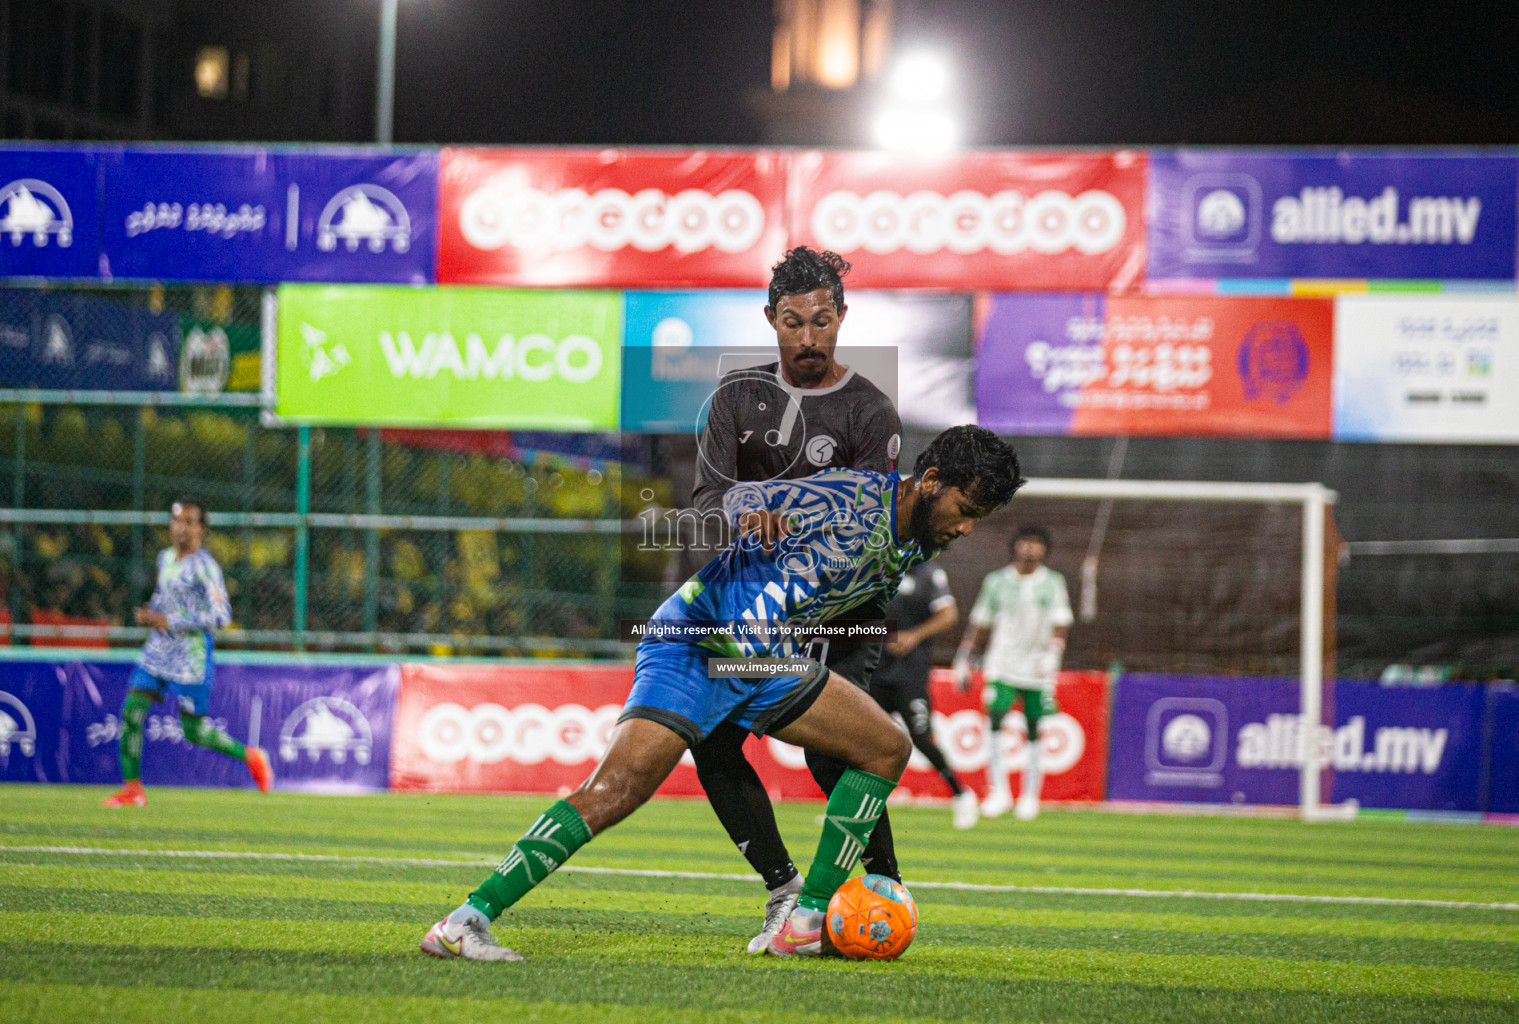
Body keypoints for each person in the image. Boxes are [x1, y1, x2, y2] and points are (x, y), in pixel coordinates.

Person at [420, 425, 1023, 962]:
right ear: (932, 480)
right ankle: (465, 922)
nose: (967, 527)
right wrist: (752, 512)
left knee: (883, 747)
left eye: (981, 517)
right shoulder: (853, 501)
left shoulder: (912, 539)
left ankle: (805, 916)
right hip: (699, 642)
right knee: (615, 792)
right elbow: (742, 497)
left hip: (755, 656)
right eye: (966, 508)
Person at [688, 246, 907, 953]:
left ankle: (884, 891)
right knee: (711, 736)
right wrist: (745, 512)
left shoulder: (868, 411)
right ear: (770, 321)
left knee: (836, 752)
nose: (807, 338)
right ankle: (784, 893)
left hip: (844, 614)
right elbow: (705, 499)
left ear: (841, 317)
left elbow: (875, 527)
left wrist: (796, 519)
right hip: (756, 608)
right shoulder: (733, 399)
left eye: (821, 321)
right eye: (791, 322)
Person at [101, 500, 272, 808]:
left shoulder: (206, 568)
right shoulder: (165, 559)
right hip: (159, 650)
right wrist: (153, 611)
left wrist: (174, 621)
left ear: (200, 528)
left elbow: (221, 616)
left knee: (194, 732)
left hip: (191, 656)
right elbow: (164, 595)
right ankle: (133, 790)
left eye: (189, 522)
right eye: (176, 520)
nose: (180, 527)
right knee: (131, 711)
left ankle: (251, 756)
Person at [954, 525, 1072, 821]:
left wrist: (1054, 653)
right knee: (995, 715)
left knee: (1034, 726)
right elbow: (980, 622)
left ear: (1044, 550)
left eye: (1036, 544)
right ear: (1015, 546)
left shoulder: (1053, 582)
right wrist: (964, 657)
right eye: (1026, 543)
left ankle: (1030, 795)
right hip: (1002, 664)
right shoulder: (996, 581)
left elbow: (1061, 622)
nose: (1030, 549)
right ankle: (999, 791)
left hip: (1037, 667)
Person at [875, 560, 979, 829]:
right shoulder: (875, 567)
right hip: (874, 671)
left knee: (921, 737)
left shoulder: (928, 573)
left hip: (910, 673)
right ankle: (849, 806)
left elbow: (948, 614)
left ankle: (960, 794)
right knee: (861, 738)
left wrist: (913, 636)